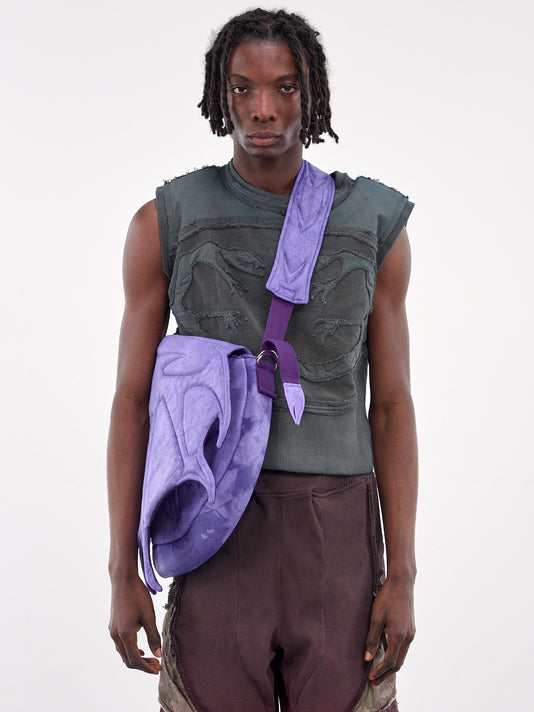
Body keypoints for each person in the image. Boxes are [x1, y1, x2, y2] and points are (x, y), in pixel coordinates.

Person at [107, 8, 417, 712]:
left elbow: (393, 405)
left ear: (313, 94)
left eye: (285, 87)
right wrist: (122, 568)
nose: (263, 109)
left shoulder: (373, 224)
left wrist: (403, 574)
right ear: (221, 95)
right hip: (215, 529)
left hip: (337, 531)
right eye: (242, 88)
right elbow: (131, 400)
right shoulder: (165, 221)